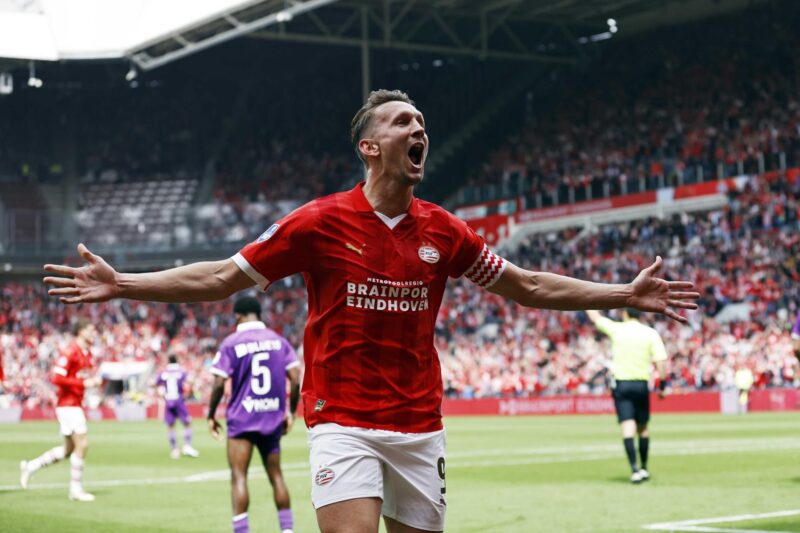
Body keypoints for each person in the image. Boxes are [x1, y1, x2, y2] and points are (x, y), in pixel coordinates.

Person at [43, 89, 698, 532]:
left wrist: (623, 293)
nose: (420, 130)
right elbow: (220, 275)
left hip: (420, 423)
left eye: (422, 123)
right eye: (403, 122)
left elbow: (526, 285)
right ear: (371, 146)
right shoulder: (318, 224)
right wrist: (123, 282)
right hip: (342, 419)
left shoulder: (446, 231)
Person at [207, 296, 301, 533]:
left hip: (242, 420)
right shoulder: (278, 341)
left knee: (239, 477)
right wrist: (290, 411)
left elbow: (218, 384)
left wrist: (210, 414)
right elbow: (296, 379)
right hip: (272, 418)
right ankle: (287, 531)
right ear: (258, 315)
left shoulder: (231, 342)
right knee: (276, 476)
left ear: (238, 316)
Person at [20, 318, 102, 501]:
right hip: (68, 405)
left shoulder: (86, 353)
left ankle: (30, 466)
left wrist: (89, 383)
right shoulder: (71, 351)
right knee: (82, 445)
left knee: (68, 450)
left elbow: (79, 377)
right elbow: (56, 377)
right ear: (80, 331)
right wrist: (83, 383)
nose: (94, 333)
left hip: (74, 404)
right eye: (91, 330)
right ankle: (75, 489)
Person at [586, 309, 668, 484]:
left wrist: (584, 300)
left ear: (624, 314)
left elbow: (596, 317)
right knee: (643, 428)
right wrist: (662, 386)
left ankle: (634, 469)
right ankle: (645, 467)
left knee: (627, 427)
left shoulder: (618, 329)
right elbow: (661, 362)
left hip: (622, 384)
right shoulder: (650, 333)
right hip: (641, 384)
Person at [155, 353, 200, 459]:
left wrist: (161, 393)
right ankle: (187, 445)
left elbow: (154, 383)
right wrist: (189, 393)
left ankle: (175, 450)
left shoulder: (164, 372)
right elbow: (191, 381)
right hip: (179, 400)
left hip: (168, 400)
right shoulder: (181, 371)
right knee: (187, 423)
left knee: (170, 426)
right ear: (177, 360)